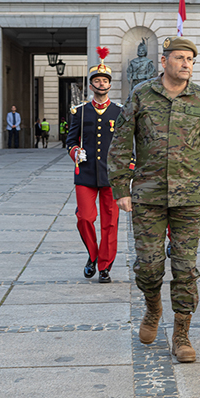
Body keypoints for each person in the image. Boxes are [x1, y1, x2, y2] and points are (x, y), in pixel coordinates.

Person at [107, 36, 200, 364]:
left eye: (191, 59)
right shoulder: (142, 95)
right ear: (164, 61)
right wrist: (121, 189)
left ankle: (182, 333)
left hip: (190, 197)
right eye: (181, 58)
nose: (187, 64)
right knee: (149, 266)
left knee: (185, 268)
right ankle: (153, 307)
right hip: (148, 196)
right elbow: (120, 144)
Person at [67, 48, 123, 283]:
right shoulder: (79, 112)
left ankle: (105, 266)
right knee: (85, 218)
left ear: (110, 85)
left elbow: (124, 143)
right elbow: (70, 141)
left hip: (110, 175)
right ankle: (92, 255)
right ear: (91, 86)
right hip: (86, 173)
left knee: (110, 223)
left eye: (105, 80)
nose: (101, 83)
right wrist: (75, 152)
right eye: (97, 80)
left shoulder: (119, 112)